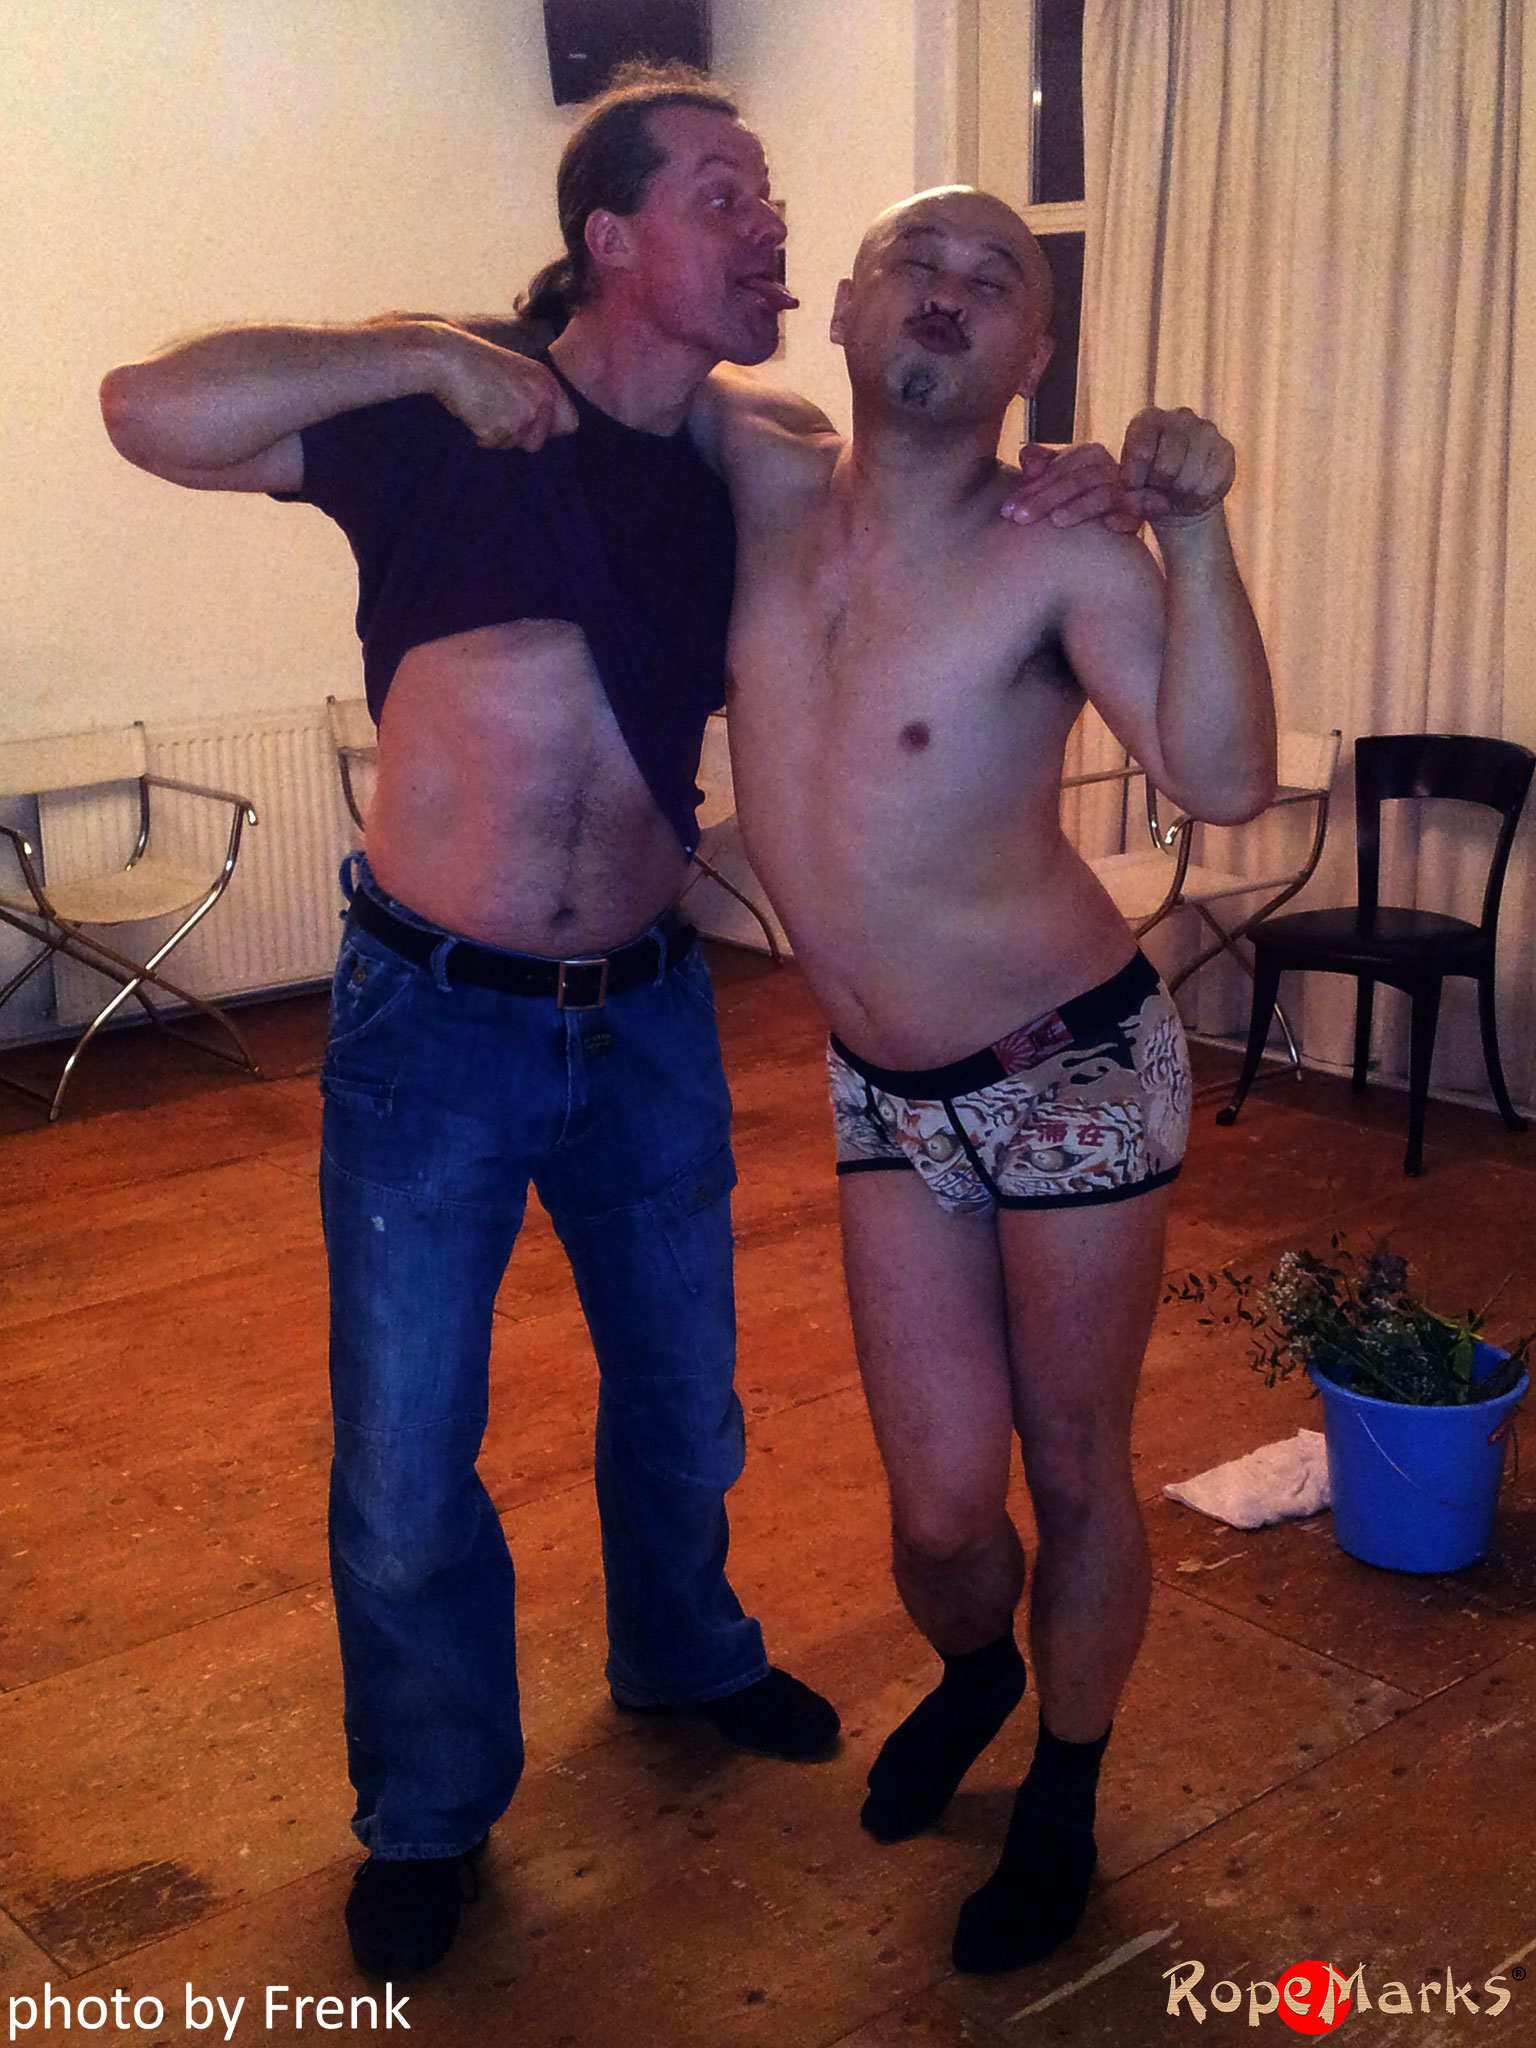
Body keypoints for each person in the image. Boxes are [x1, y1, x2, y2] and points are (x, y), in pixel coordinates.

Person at [97, 67, 843, 1984]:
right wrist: (423, 347)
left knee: (686, 1397)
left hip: (654, 1012)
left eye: (770, 193)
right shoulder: (447, 422)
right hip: (433, 1022)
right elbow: (147, 410)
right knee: (411, 1453)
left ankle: (685, 1655)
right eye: (725, 192)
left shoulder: (745, 469)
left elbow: (892, 513)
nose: (770, 222)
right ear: (609, 235)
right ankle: (429, 1808)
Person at [693, 186, 1276, 1974]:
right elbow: (593, 351)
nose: (947, 293)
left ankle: (1065, 1798)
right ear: (844, 306)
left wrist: (1198, 533)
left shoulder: (1064, 553)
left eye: (993, 279)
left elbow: (1223, 778)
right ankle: (976, 1672)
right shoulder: (757, 476)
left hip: (1068, 1068)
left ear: (1035, 348)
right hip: (885, 1090)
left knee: (1075, 1465)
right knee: (943, 1518)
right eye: (915, 265)